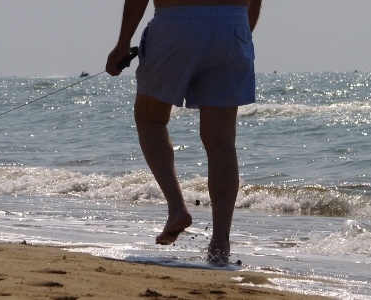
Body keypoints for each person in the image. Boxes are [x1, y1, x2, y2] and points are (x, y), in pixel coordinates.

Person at [106, 0, 261, 264]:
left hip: (177, 23)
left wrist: (123, 42)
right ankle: (220, 244)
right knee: (221, 141)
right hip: (232, 24)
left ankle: (177, 208)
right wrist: (237, 30)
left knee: (150, 118)